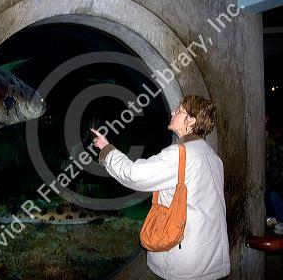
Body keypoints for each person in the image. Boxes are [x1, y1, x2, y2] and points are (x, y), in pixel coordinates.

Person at [91, 95, 230, 280]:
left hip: (189, 263)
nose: (173, 112)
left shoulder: (179, 155)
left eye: (180, 110)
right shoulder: (212, 156)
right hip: (213, 256)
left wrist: (107, 149)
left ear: (191, 120)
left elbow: (134, 175)